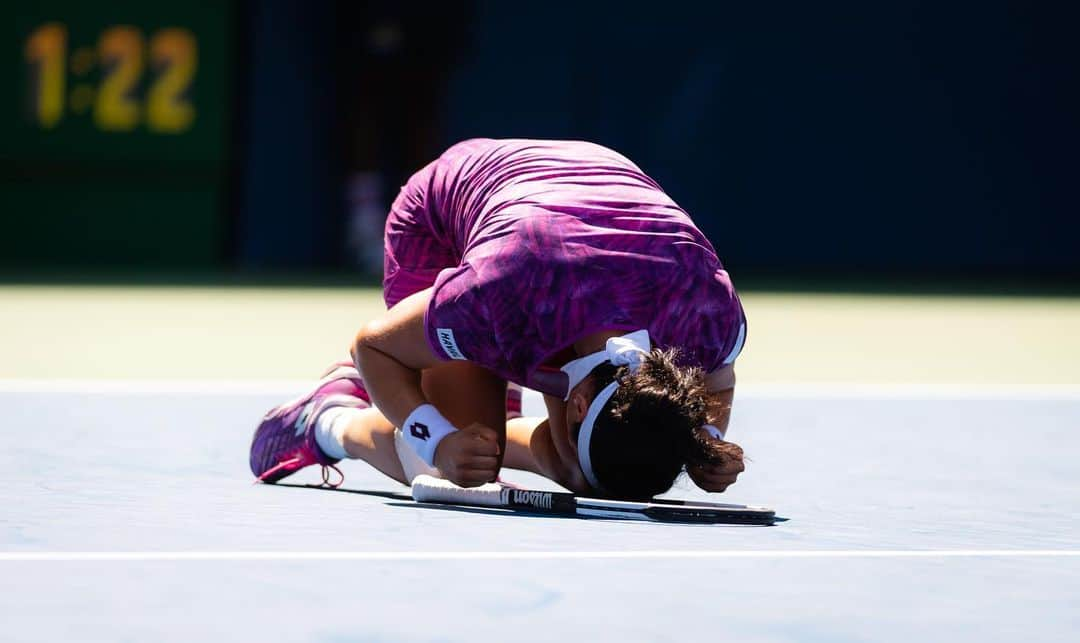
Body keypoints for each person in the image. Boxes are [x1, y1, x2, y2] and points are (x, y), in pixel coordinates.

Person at [250, 138, 747, 500]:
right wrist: (439, 440)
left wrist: (707, 439)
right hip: (447, 217)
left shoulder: (706, 314)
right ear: (575, 404)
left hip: (573, 199)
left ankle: (471, 385)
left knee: (576, 472)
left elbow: (718, 377)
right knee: (442, 467)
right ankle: (326, 419)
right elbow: (372, 346)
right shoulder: (500, 294)